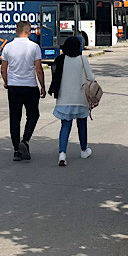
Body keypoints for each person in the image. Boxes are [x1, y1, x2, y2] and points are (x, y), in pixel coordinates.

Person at [1, 20, 46, 162]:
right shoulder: (34, 47)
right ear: (29, 31)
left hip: (14, 87)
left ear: (16, 30)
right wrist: (43, 86)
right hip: (30, 87)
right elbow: (38, 69)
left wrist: (7, 82)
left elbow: (3, 69)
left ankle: (16, 151)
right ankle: (25, 140)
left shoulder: (8, 47)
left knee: (15, 117)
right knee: (33, 115)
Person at [48, 35, 94, 166]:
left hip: (64, 99)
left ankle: (62, 154)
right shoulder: (82, 59)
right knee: (82, 124)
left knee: (65, 126)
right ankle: (84, 150)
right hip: (80, 99)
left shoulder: (61, 60)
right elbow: (91, 77)